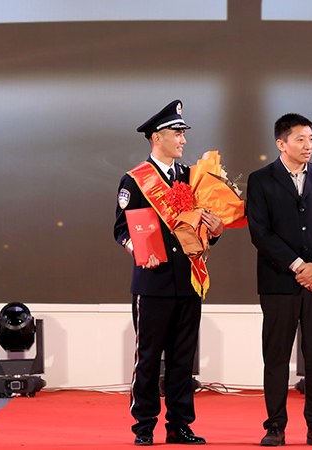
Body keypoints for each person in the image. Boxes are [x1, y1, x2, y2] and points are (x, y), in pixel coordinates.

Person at [114, 99, 224, 446]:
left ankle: (180, 424)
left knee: (182, 360)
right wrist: (138, 251)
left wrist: (215, 231)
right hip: (153, 284)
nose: (183, 140)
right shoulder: (135, 180)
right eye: (177, 133)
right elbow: (122, 230)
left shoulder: (192, 178)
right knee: (148, 359)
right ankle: (144, 425)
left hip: (189, 282)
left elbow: (201, 230)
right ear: (156, 137)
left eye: (183, 133)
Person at [246, 113, 312, 447]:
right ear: (281, 143)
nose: (308, 146)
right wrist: (300, 266)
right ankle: (275, 425)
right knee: (276, 358)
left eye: (311, 139)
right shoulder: (261, 179)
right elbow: (260, 232)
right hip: (279, 283)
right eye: (300, 139)